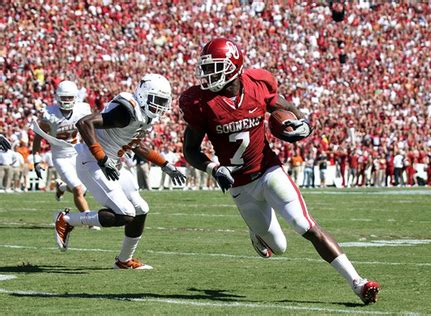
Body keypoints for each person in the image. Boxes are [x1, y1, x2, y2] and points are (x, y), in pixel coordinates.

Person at [179, 38, 380, 304]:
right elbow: (190, 149)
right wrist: (214, 168)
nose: (207, 74)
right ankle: (258, 233)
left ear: (233, 66)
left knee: (305, 225)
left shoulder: (258, 85)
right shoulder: (200, 102)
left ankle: (358, 282)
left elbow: (284, 108)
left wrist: (302, 123)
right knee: (280, 247)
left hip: (268, 170)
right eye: (205, 68)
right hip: (239, 186)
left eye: (215, 67)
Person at [54, 74, 186, 269]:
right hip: (92, 162)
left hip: (111, 163)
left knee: (141, 209)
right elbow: (84, 123)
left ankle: (124, 260)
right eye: (156, 100)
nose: (160, 105)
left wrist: (165, 164)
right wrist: (101, 157)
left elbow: (135, 145)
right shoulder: (126, 111)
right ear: (143, 95)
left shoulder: (142, 115)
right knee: (125, 214)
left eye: (163, 101)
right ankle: (67, 220)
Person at [32, 81, 99, 228]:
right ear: (57, 97)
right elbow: (38, 137)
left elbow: (94, 128)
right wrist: (36, 161)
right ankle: (90, 221)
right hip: (60, 156)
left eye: (70, 97)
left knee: (84, 188)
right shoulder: (49, 114)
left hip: (78, 153)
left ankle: (62, 187)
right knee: (78, 189)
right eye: (64, 97)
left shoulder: (83, 109)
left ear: (75, 97)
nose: (67, 100)